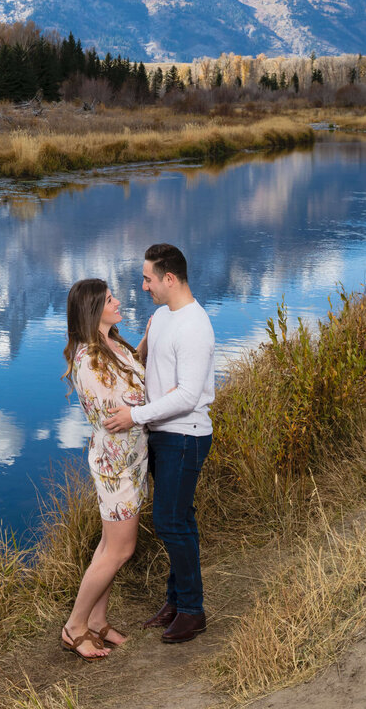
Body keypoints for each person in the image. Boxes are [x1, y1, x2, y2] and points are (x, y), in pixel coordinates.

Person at [104, 243, 215, 645]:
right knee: (178, 519)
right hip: (164, 434)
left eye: (149, 278)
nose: (144, 285)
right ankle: (176, 600)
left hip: (185, 435)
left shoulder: (195, 326)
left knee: (171, 522)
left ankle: (192, 610)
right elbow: (145, 365)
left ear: (170, 278)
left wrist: (133, 416)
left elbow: (187, 396)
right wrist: (133, 346)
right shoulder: (163, 317)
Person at [61, 278, 148, 661]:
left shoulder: (111, 345)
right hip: (116, 468)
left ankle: (97, 622)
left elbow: (133, 378)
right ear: (93, 311)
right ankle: (74, 627)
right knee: (120, 550)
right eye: (110, 299)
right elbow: (123, 407)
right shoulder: (88, 360)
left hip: (130, 459)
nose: (118, 302)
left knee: (107, 546)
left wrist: (147, 342)